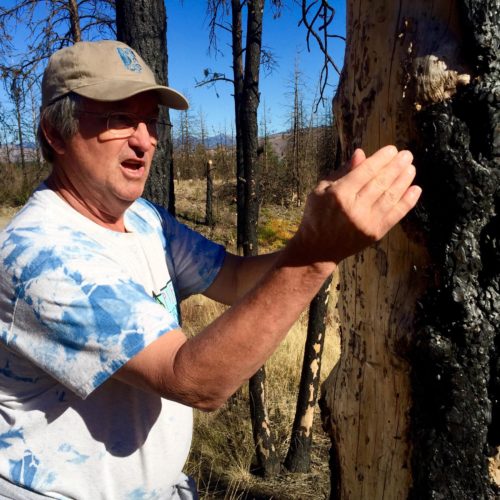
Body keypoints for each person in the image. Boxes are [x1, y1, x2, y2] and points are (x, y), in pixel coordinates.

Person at [0, 40, 422, 499]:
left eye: (150, 120)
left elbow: (235, 278)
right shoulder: (40, 255)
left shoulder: (143, 219)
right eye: (117, 119)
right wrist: (315, 254)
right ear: (55, 134)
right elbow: (195, 381)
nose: (144, 140)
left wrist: (321, 236)